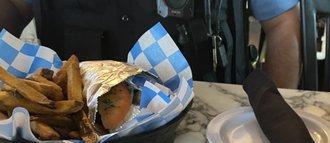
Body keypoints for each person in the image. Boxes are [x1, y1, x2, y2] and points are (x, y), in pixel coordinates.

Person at [0, 0, 300, 88]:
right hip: (70, 134)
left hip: (211, 125)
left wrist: (277, 112)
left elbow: (282, 21)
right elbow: (14, 8)